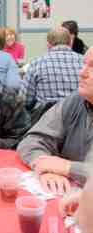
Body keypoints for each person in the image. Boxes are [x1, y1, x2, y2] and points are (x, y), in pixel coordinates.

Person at [17, 47, 93, 194]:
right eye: (84, 64)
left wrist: (68, 168)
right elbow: (32, 140)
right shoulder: (76, 100)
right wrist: (46, 167)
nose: (82, 73)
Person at [19, 27, 83, 113]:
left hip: (44, 119)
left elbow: (24, 100)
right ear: (71, 42)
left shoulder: (36, 63)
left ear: (48, 44)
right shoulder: (85, 62)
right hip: (78, 118)